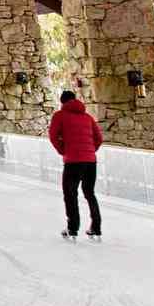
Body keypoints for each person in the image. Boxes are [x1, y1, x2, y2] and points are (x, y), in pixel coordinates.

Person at [49, 89, 104, 240]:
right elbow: (99, 138)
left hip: (73, 161)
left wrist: (63, 151)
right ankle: (96, 227)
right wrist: (91, 151)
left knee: (70, 193)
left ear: (62, 102)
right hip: (90, 162)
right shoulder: (87, 117)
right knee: (89, 193)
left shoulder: (59, 116)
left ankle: (72, 228)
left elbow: (53, 136)